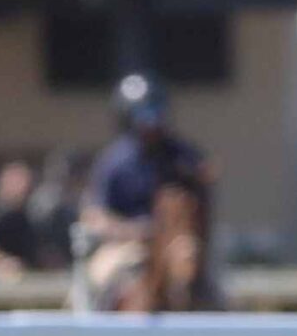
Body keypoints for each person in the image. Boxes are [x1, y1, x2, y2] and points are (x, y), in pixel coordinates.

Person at [84, 73, 210, 302]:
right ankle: (89, 331)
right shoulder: (114, 162)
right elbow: (95, 216)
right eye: (145, 115)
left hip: (176, 245)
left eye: (156, 113)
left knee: (216, 292)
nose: (152, 122)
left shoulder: (183, 156)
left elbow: (200, 197)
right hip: (127, 247)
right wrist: (135, 231)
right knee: (100, 280)